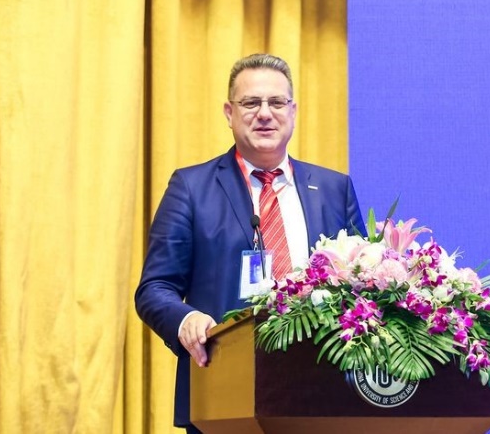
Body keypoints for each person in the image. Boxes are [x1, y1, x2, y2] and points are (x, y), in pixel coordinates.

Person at [135, 53, 366, 431]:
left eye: (276, 102)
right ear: (229, 113)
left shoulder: (333, 189)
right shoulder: (191, 188)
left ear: (293, 111)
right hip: (225, 393)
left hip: (323, 395)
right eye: (251, 103)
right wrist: (187, 319)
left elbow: (362, 283)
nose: (265, 113)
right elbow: (154, 288)